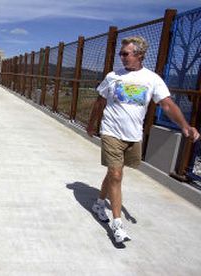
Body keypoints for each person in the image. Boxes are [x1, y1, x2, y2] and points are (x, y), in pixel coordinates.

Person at [86, 36, 200, 243]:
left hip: (133, 135)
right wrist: (92, 124)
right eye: (121, 53)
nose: (121, 57)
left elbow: (166, 104)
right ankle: (117, 224)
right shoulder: (113, 76)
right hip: (111, 131)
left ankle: (99, 202)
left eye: (125, 53)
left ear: (139, 55)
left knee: (114, 173)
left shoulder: (152, 79)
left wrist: (185, 126)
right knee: (116, 173)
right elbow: (99, 101)